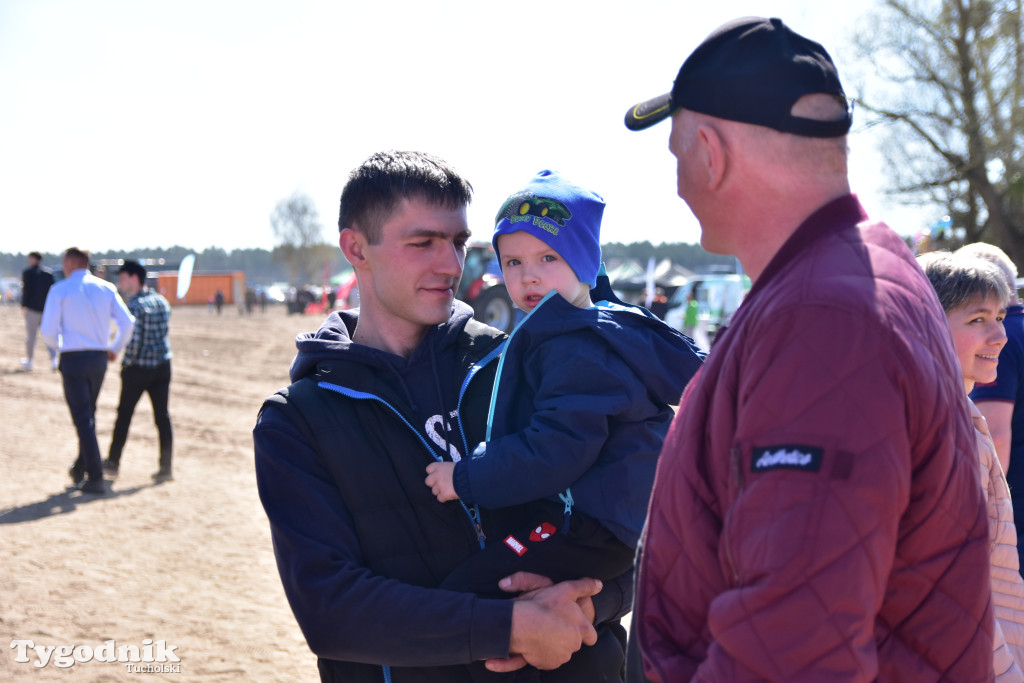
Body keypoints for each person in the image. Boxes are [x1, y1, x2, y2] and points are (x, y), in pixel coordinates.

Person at [622, 17, 994, 680]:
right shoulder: (862, 272)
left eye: (675, 152)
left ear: (712, 152)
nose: (677, 183)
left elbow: (794, 646)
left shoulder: (822, 316)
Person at [253, 151, 632, 682]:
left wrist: (594, 604)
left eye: (457, 242)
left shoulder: (528, 363)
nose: (452, 265)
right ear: (356, 247)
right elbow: (330, 609)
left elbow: (634, 521)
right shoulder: (297, 421)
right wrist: (509, 627)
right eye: (423, 243)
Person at [424, 170, 702, 603]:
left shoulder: (578, 349)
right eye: (514, 262)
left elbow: (556, 448)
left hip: (587, 526)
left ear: (585, 264)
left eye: (548, 257)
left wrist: (466, 476)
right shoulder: (579, 331)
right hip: (603, 519)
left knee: (469, 593)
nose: (529, 276)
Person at [918, 250, 1024, 678]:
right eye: (978, 319)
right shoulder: (935, 432)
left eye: (999, 316)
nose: (1000, 335)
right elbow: (953, 594)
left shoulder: (959, 416)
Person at [41, 247, 134, 495]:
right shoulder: (105, 288)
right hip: (98, 359)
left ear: (71, 261)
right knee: (88, 414)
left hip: (73, 359)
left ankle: (94, 475)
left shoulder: (60, 289)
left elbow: (48, 330)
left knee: (83, 418)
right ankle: (80, 466)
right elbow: (127, 323)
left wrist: (59, 348)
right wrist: (114, 349)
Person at [102, 260, 174, 483]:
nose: (119, 282)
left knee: (124, 415)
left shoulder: (134, 306)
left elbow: (134, 343)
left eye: (122, 277)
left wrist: (124, 363)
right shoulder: (162, 302)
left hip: (139, 369)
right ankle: (166, 467)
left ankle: (113, 462)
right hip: (162, 365)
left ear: (134, 278)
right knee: (162, 417)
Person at [20, 251, 57, 371]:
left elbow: (26, 291)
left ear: (35, 259)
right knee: (48, 334)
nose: (28, 260)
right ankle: (54, 360)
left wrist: (23, 306)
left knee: (31, 336)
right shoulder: (49, 274)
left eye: (30, 258)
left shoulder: (28, 273)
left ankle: (29, 361)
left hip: (32, 309)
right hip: (46, 309)